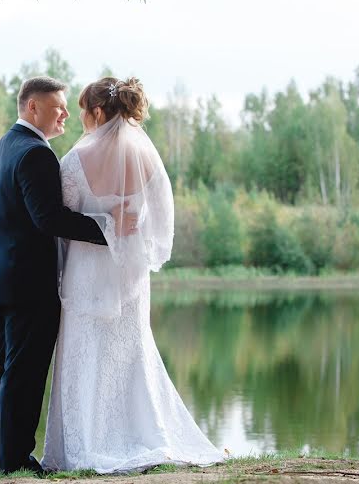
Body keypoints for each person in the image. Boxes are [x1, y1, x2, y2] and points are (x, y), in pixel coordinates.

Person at [41, 77, 225, 473]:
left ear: (98, 112)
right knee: (129, 356)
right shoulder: (145, 157)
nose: (78, 118)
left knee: (83, 356)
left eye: (82, 110)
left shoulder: (74, 161)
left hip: (87, 272)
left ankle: (83, 445)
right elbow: (156, 221)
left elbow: (64, 221)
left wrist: (96, 229)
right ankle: (144, 435)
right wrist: (128, 226)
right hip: (130, 274)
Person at [0, 76, 137, 475]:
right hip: (28, 284)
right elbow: (49, 218)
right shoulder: (35, 154)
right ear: (33, 108)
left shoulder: (1, 150)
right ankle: (14, 463)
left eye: (66, 106)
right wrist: (108, 227)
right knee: (22, 374)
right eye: (57, 106)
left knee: (2, 370)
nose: (65, 113)